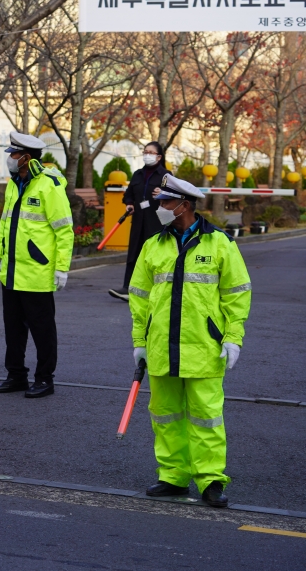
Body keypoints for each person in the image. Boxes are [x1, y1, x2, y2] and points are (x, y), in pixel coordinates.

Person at [128, 175, 250, 509]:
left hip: (203, 348)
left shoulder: (220, 244)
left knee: (207, 417)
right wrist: (140, 340)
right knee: (165, 415)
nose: (160, 208)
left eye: (165, 202)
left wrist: (233, 338)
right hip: (160, 347)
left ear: (184, 205)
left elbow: (237, 294)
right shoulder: (153, 245)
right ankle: (173, 476)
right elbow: (138, 298)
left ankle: (211, 480)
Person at [0, 132, 74, 399]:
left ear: (26, 158)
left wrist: (62, 268)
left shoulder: (48, 185)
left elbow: (64, 230)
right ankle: (15, 375)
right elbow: (5, 226)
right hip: (12, 271)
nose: (10, 159)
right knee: (13, 330)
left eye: (13, 155)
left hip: (38, 272)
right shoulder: (14, 184)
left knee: (42, 330)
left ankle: (44, 378)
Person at [108, 141, 171, 301]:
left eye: (150, 152)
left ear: (158, 156)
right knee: (134, 253)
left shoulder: (166, 175)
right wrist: (129, 203)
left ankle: (156, 290)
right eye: (145, 151)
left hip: (157, 221)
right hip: (138, 221)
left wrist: (163, 193)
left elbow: (175, 197)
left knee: (154, 256)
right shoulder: (137, 174)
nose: (147, 155)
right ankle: (127, 288)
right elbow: (128, 194)